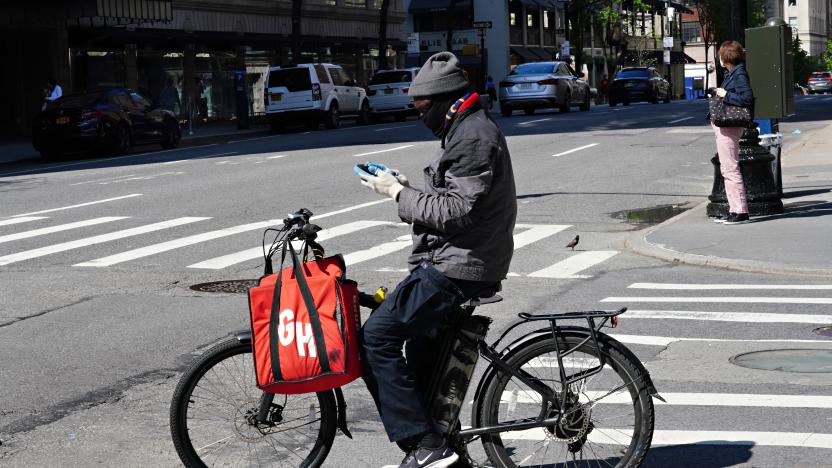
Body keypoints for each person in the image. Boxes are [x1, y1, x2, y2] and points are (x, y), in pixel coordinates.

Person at [357, 51, 517, 468]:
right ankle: (444, 446)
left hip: (461, 263)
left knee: (377, 337)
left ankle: (427, 445)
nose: (419, 114)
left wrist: (396, 194)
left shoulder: (472, 136)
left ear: (446, 100)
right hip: (455, 257)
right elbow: (452, 198)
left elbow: (456, 212)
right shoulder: (464, 127)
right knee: (422, 354)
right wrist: (407, 186)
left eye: (423, 107)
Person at [711, 40, 754, 225]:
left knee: (730, 168)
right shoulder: (732, 73)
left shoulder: (738, 73)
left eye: (721, 55)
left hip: (729, 126)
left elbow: (747, 98)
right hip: (725, 126)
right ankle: (734, 209)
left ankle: (739, 211)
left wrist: (724, 94)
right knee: (727, 168)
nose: (720, 58)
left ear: (725, 57)